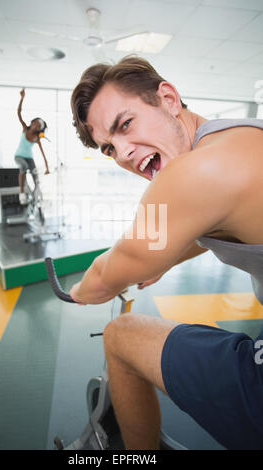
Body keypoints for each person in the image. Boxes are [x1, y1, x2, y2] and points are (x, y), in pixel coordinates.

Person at [68, 55, 263, 450]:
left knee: (120, 336)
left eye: (125, 125)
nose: (122, 153)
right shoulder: (240, 139)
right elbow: (219, 219)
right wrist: (169, 256)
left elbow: (107, 275)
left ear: (169, 99)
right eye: (109, 148)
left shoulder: (193, 172)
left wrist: (76, 291)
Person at [14, 88, 50, 204]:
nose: (35, 125)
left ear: (40, 129)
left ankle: (37, 193)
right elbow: (19, 113)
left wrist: (47, 167)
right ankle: (22, 193)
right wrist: (22, 98)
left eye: (38, 125)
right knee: (23, 167)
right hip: (19, 156)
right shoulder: (25, 128)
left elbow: (43, 153)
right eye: (35, 122)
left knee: (35, 175)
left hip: (29, 157)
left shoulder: (37, 138)